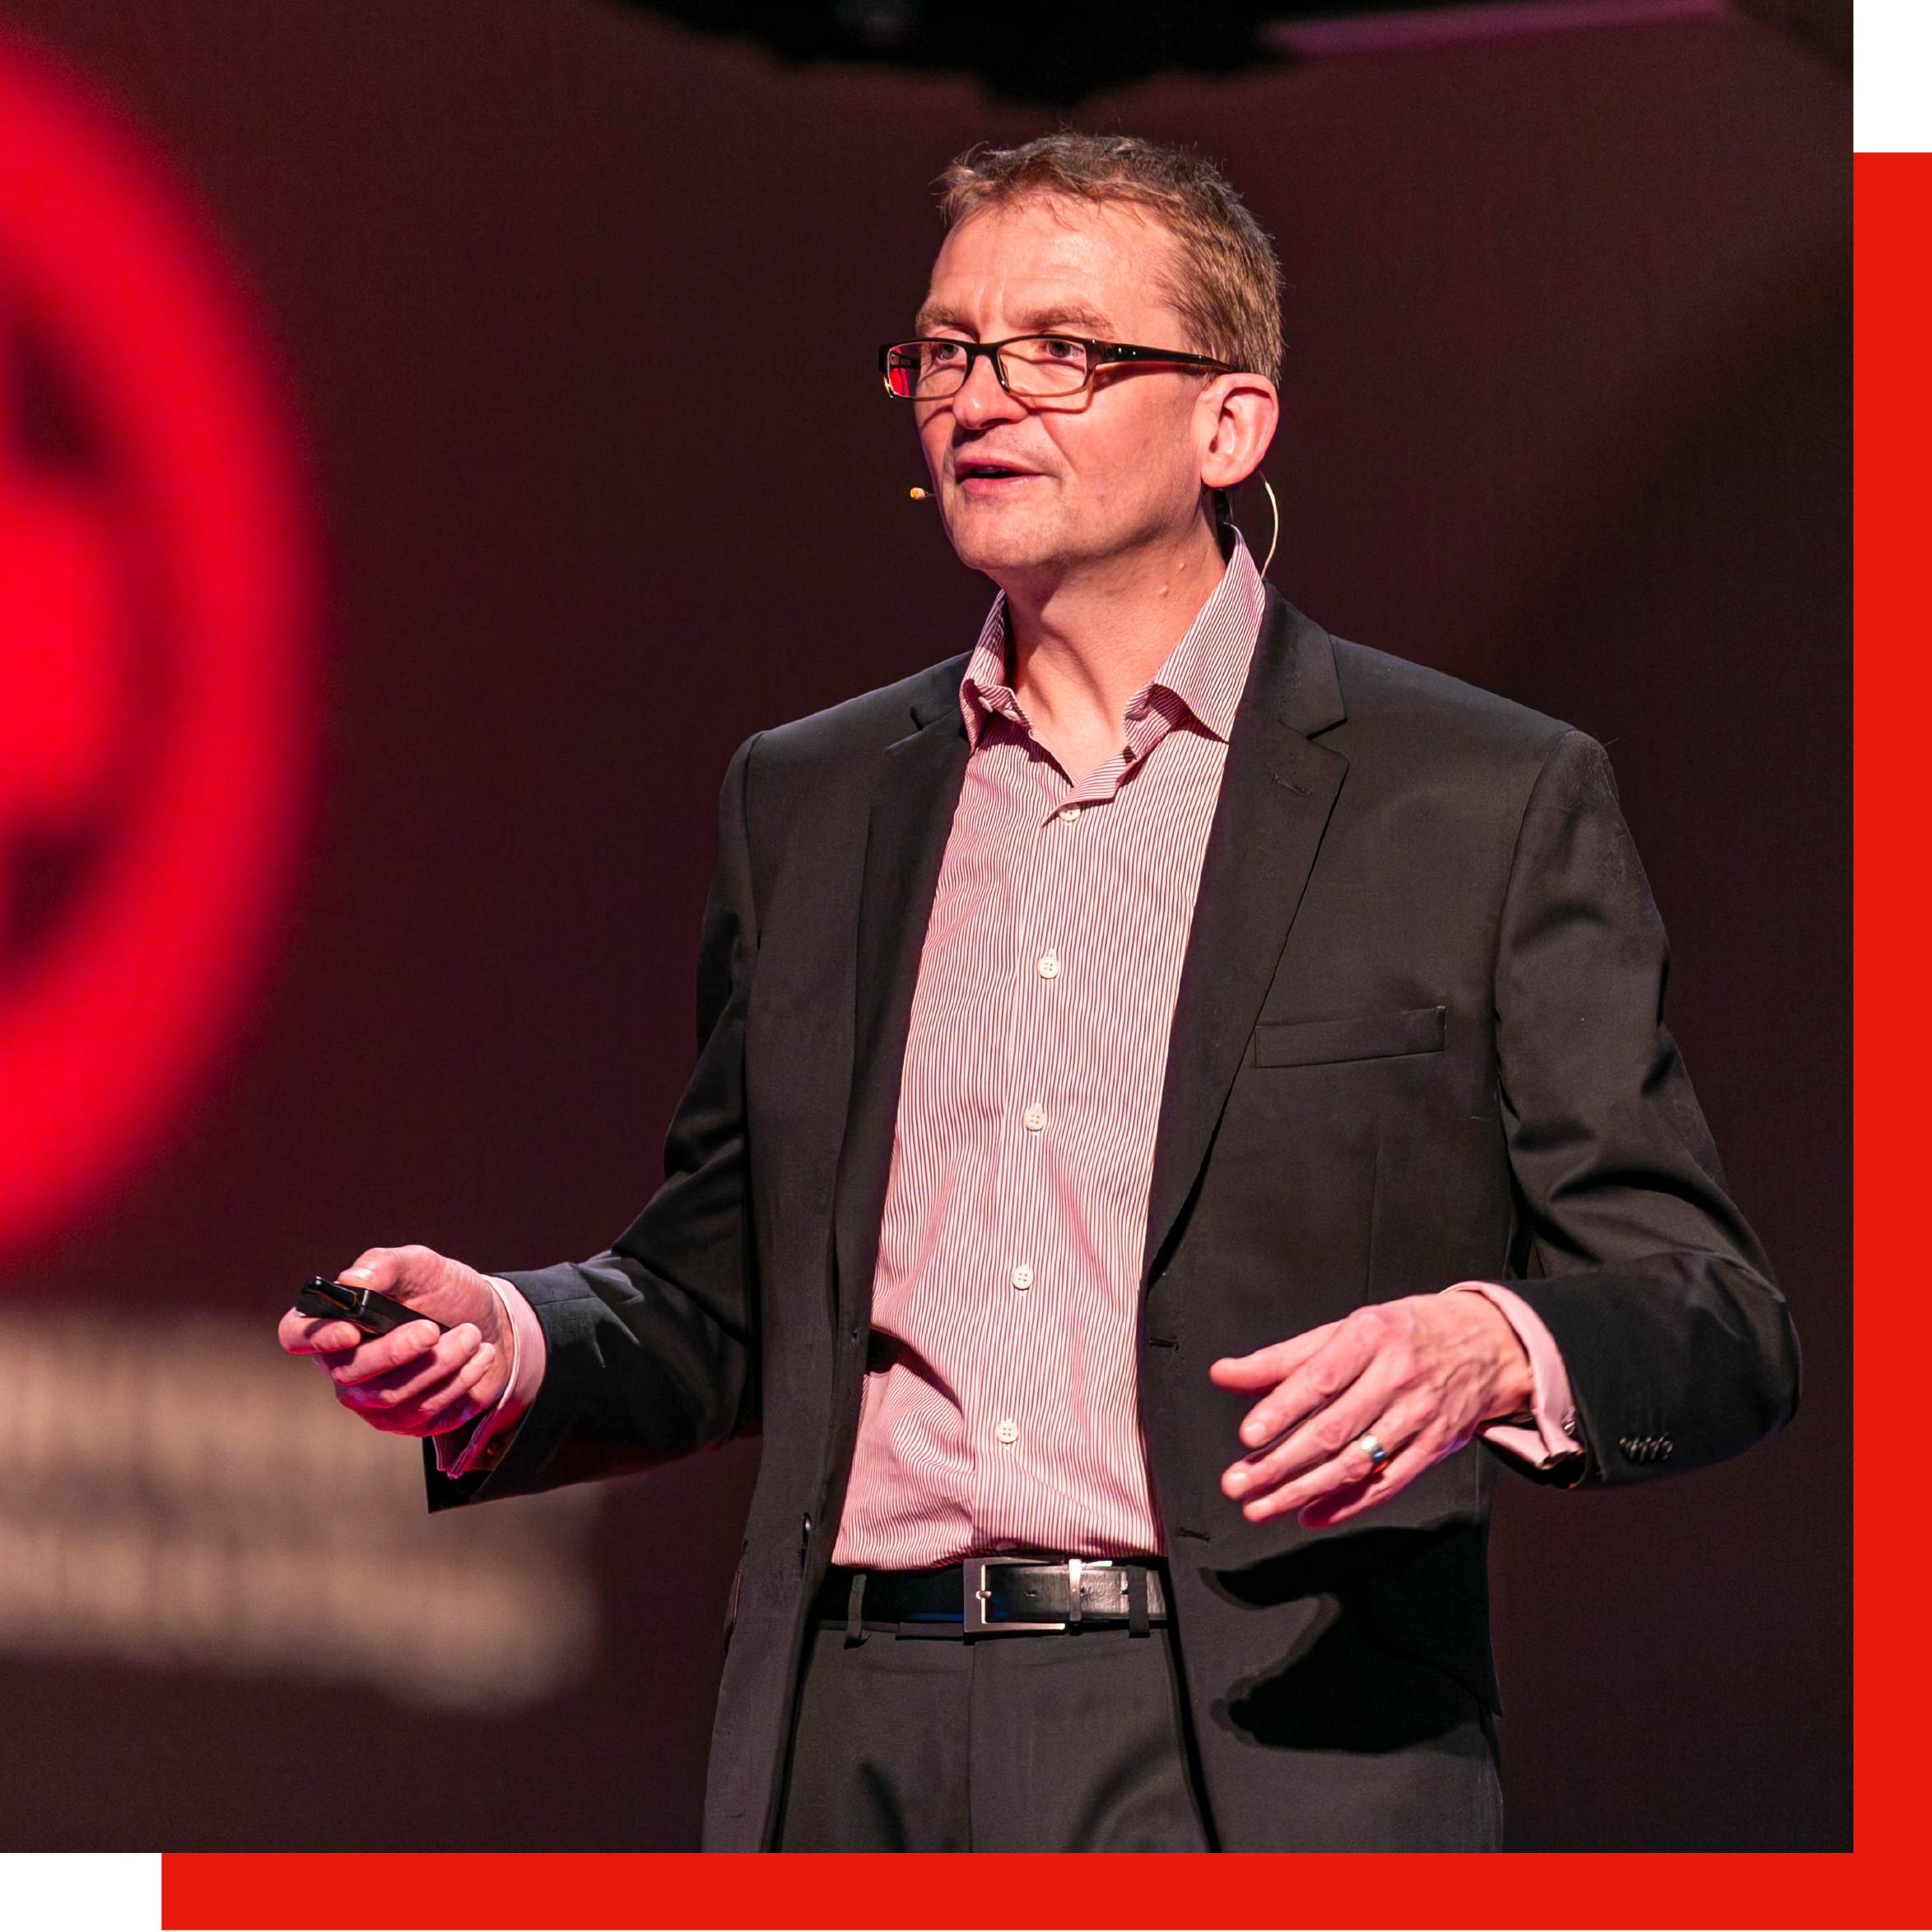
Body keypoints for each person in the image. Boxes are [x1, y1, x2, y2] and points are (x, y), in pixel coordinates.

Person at [278, 134, 1799, 1852]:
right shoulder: (815, 795)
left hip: (1250, 1736)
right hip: (847, 1733)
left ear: (1230, 423)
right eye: (945, 351)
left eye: (1062, 352)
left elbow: (1710, 1313)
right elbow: (723, 1293)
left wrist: (1489, 1344)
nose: (979, 399)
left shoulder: (1476, 799)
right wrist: (524, 1337)